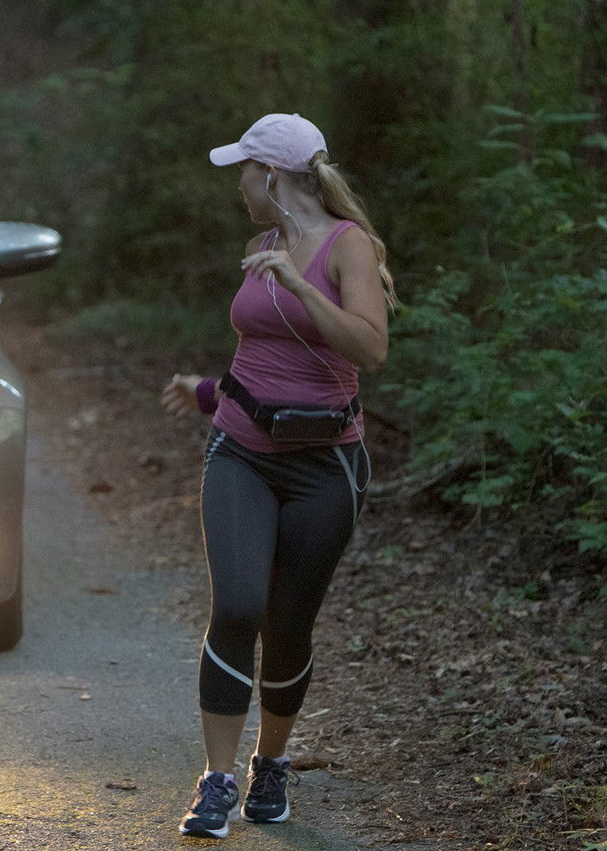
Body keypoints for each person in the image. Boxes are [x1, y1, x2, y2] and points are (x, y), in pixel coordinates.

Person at [158, 112, 397, 838]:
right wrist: (209, 391)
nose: (237, 183)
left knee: (288, 625)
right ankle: (217, 780)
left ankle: (271, 763)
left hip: (325, 465)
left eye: (244, 169)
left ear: (271, 175)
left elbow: (371, 349)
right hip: (241, 452)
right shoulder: (259, 245)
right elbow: (262, 352)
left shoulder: (348, 246)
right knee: (237, 605)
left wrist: (301, 284)